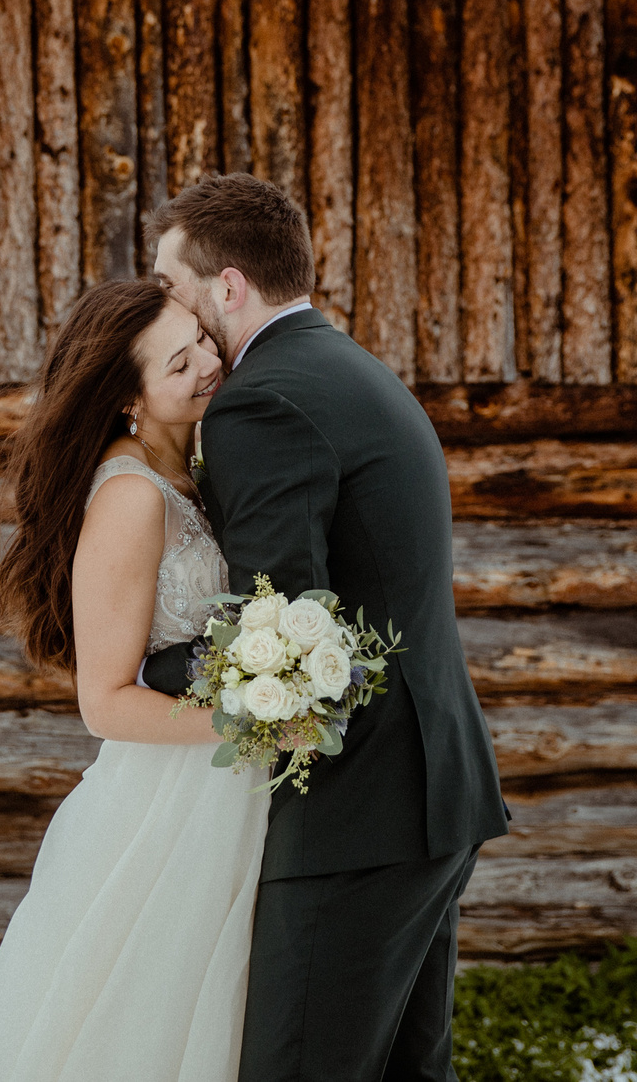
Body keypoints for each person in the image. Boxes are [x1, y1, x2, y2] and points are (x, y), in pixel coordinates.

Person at [142, 173, 508, 1082]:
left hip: (355, 814)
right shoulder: (347, 367)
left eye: (173, 286)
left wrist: (146, 664)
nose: (166, 308)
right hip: (425, 794)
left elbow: (285, 627)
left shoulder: (261, 402)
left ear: (227, 287)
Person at [0, 279, 261, 1082]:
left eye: (200, 337)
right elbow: (106, 700)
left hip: (219, 787)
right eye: (178, 361)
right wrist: (255, 721)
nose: (206, 364)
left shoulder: (183, 464)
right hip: (167, 802)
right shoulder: (129, 496)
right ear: (128, 394)